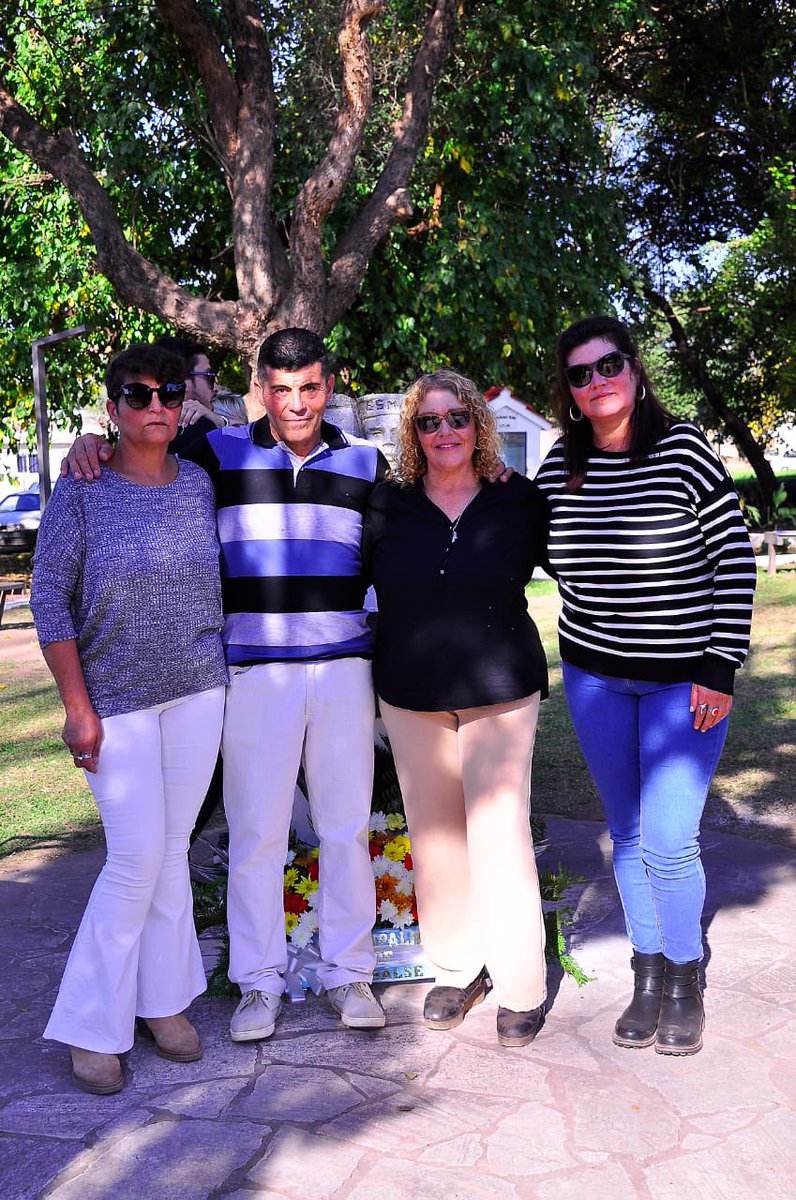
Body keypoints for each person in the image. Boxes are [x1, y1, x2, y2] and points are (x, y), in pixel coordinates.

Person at [62, 329, 390, 1037]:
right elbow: (136, 455)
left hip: (342, 674)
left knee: (343, 828)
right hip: (252, 677)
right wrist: (84, 445)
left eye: (308, 387)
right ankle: (257, 983)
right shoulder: (215, 452)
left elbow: (385, 565)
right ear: (258, 390)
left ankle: (350, 974)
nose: (295, 402)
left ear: (326, 386)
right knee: (255, 835)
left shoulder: (368, 462)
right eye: (279, 388)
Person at [535, 315, 757, 1056]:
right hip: (594, 677)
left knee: (668, 839)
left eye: (608, 366)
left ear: (633, 369)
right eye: (579, 373)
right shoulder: (558, 466)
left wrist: (720, 666)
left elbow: (733, 559)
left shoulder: (684, 448)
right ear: (567, 389)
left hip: (682, 685)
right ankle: (648, 973)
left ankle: (686, 977)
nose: (596, 382)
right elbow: (526, 542)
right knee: (626, 833)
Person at [31, 344, 228, 1094]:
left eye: (168, 394)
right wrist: (76, 708)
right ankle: (89, 1023)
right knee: (135, 858)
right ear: (111, 405)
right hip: (113, 702)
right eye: (138, 395)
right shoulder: (82, 487)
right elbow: (49, 597)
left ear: (184, 405)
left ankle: (163, 1002)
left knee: (170, 851)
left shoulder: (201, 484)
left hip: (197, 690)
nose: (155, 407)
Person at [363, 369, 550, 1048]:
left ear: (478, 422)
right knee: (436, 837)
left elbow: (578, 564)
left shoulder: (518, 499)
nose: (445, 431)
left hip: (501, 687)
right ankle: (458, 966)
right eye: (429, 421)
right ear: (412, 432)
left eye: (457, 417)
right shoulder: (387, 503)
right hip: (410, 693)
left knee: (499, 835)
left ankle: (522, 983)